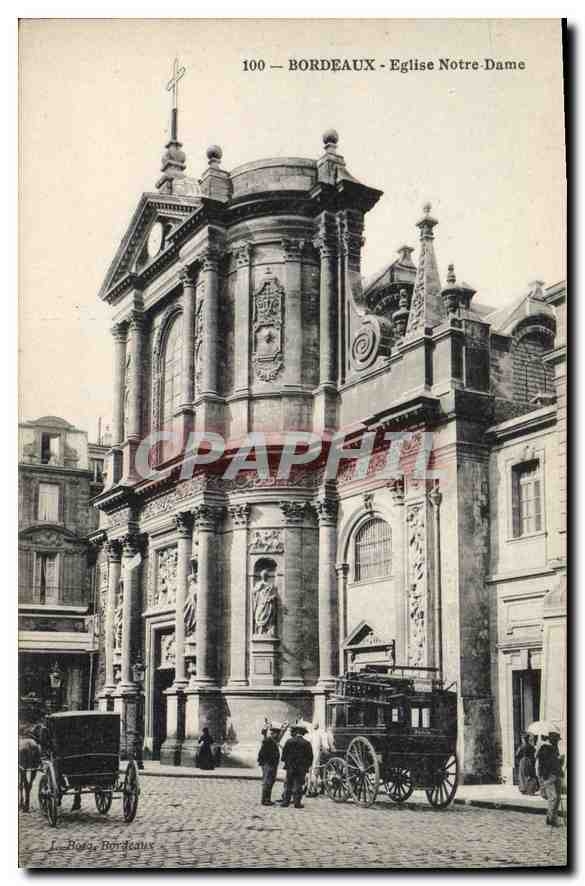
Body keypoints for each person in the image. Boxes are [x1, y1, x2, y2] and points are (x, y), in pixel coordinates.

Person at [280, 723, 313, 809]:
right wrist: (307, 766)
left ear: (296, 732)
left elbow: (284, 755)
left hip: (290, 767)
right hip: (301, 768)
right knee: (298, 785)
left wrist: (287, 762)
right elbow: (310, 757)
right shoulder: (306, 743)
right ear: (303, 733)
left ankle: (285, 802)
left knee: (288, 784)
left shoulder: (289, 741)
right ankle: (297, 803)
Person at [536, 732, 563, 827]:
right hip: (548, 776)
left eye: (557, 741)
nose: (557, 742)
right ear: (551, 739)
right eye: (556, 740)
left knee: (558, 798)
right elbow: (543, 764)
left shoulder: (555, 749)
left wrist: (560, 760)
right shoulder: (544, 748)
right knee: (553, 798)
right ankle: (552, 819)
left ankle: (550, 817)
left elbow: (557, 763)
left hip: (557, 774)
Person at [257, 724, 281, 806]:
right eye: (276, 734)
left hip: (271, 764)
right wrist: (264, 763)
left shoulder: (272, 741)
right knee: (267, 782)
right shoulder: (268, 741)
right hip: (269, 764)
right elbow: (262, 753)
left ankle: (267, 799)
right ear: (274, 733)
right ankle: (265, 800)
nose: (277, 735)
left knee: (270, 782)